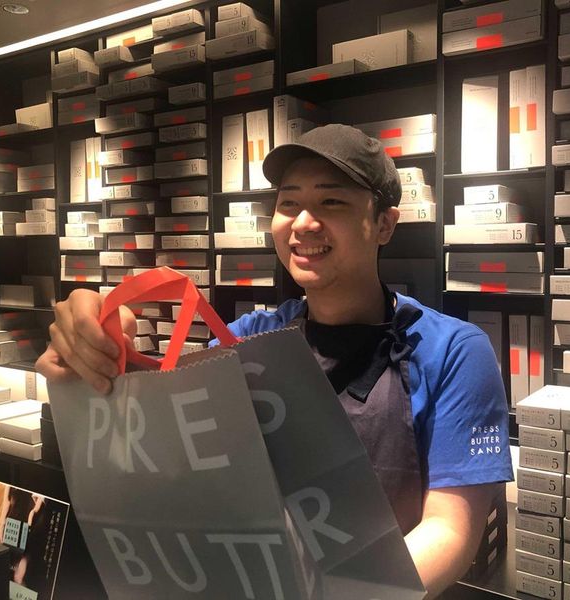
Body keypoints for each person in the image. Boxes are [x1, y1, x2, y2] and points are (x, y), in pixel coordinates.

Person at [36, 124, 513, 597]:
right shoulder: (247, 338)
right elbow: (174, 449)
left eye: (332, 201)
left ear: (384, 224)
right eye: (288, 203)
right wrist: (97, 352)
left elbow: (449, 530)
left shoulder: (455, 351)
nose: (303, 223)